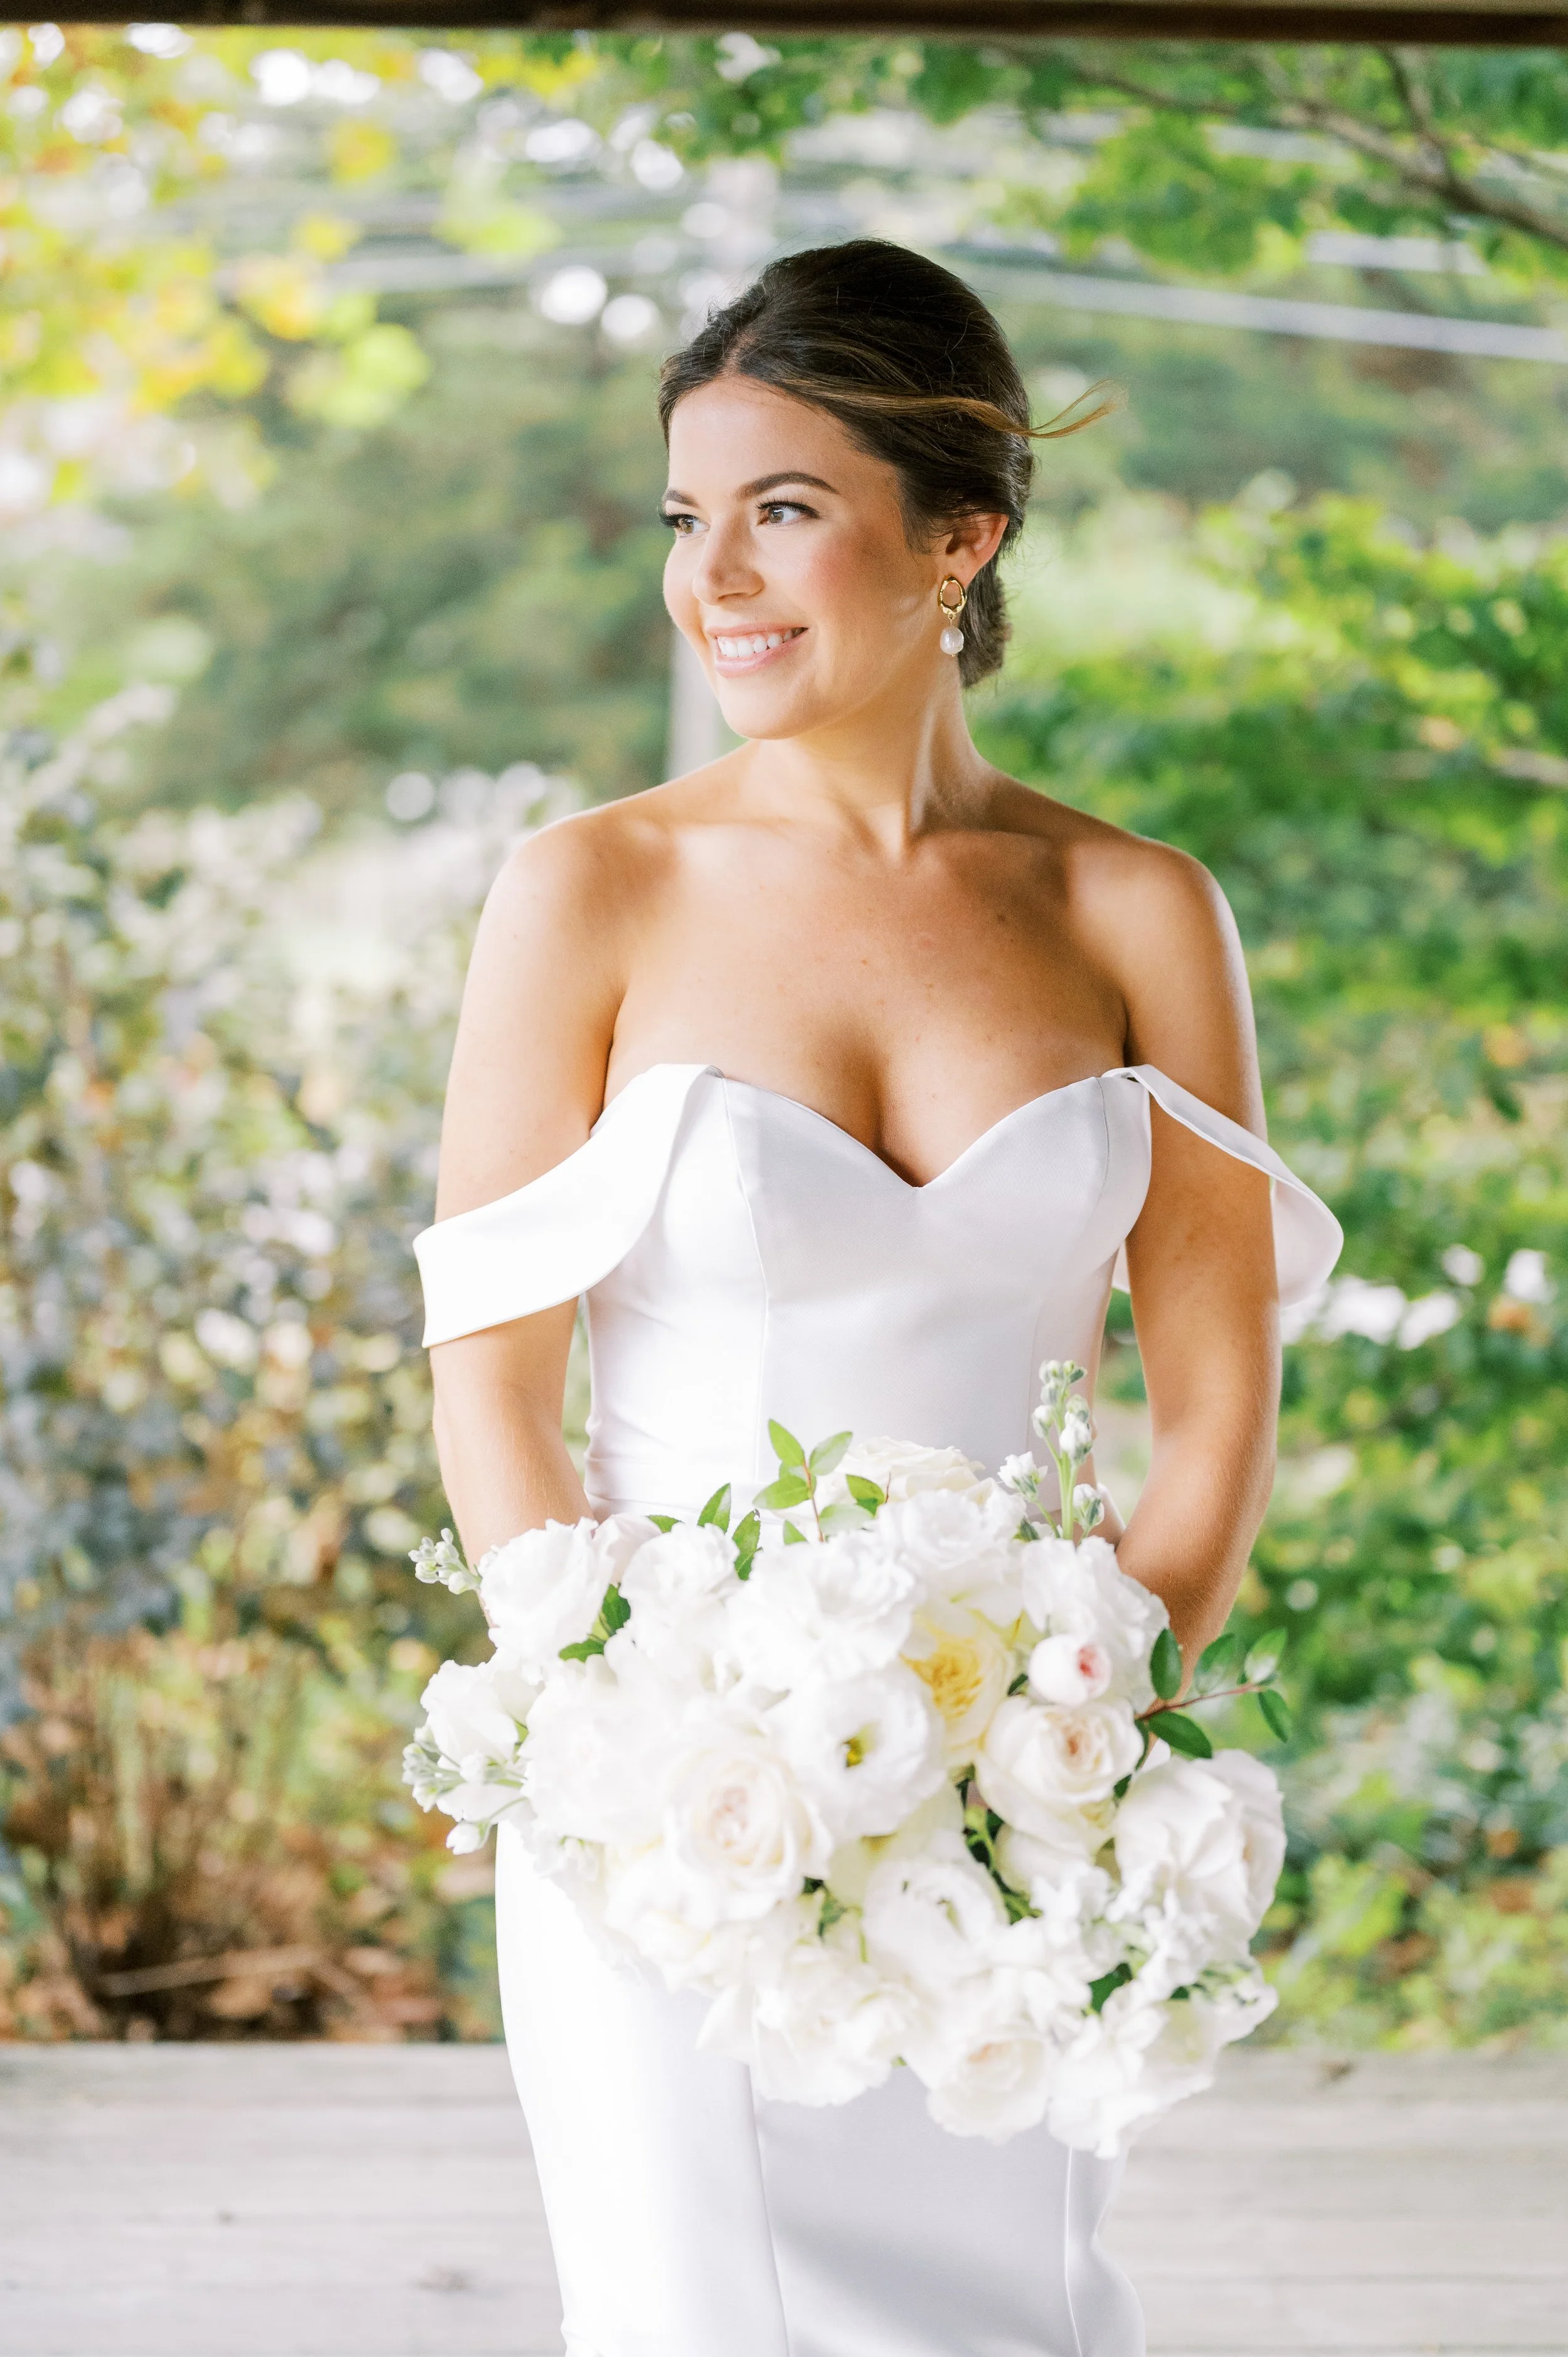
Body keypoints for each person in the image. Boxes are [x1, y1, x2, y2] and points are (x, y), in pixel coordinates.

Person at [414, 239, 1341, 2357]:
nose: (711, 576)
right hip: (664, 1813)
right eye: (685, 515)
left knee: (1002, 2312)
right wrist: (622, 1736)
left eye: (782, 510)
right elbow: (494, 1394)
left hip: (1019, 1816)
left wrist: (1083, 1733)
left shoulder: (1133, 908)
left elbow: (1210, 1406)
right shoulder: (590, 890)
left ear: (961, 535)